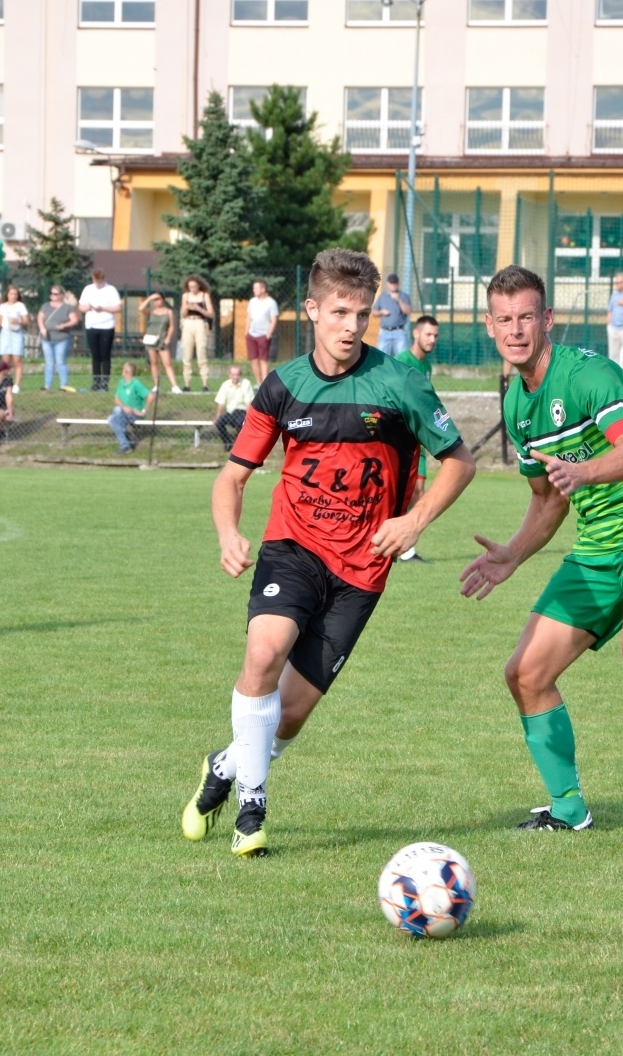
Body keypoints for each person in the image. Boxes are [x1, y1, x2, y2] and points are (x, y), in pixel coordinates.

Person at [180, 248, 477, 858]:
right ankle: (252, 808)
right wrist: (228, 535)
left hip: (363, 570)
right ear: (311, 309)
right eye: (339, 311)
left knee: (288, 716)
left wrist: (414, 520)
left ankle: (227, 763)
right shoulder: (284, 384)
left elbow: (459, 461)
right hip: (292, 547)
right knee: (264, 652)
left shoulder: (400, 383)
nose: (350, 326)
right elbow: (231, 478)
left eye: (362, 314)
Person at [459, 264, 623, 852]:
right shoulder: (518, 404)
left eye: (526, 317)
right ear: (490, 327)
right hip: (595, 548)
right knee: (525, 673)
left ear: (547, 320)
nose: (516, 330)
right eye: (503, 320)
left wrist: (585, 469)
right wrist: (512, 555)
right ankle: (568, 808)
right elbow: (547, 499)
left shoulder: (591, 375)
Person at [394, 314, 440, 563]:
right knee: (407, 492)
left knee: (417, 491)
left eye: (435, 335)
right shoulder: (402, 362)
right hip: (401, 440)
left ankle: (403, 547)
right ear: (416, 334)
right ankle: (398, 545)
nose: (432, 340)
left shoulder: (427, 366)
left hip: (416, 440)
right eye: (428, 334)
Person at [78, 268, 122, 392]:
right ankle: (96, 382)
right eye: (96, 281)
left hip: (106, 326)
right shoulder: (88, 289)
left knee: (105, 355)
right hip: (92, 326)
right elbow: (80, 306)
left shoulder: (111, 290)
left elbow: (118, 308)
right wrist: (86, 308)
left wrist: (102, 308)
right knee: (95, 356)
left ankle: (105, 383)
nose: (99, 284)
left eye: (100, 281)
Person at [138, 288, 181, 394]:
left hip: (162, 338)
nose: (157, 301)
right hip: (151, 338)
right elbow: (141, 309)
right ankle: (156, 385)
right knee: (154, 362)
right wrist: (149, 298)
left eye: (159, 299)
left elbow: (171, 326)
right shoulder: (152, 311)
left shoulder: (168, 311)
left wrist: (168, 338)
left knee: (167, 363)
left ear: (163, 299)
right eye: (155, 300)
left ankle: (174, 386)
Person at [38, 285, 79, 393]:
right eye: (51, 293)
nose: (53, 296)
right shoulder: (45, 306)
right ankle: (47, 385)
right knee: (49, 362)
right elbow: (40, 317)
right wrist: (42, 328)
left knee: (60, 361)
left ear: (61, 295)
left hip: (62, 338)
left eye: (55, 294)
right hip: (47, 338)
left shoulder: (67, 307)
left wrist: (64, 325)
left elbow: (74, 320)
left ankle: (63, 385)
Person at [178, 274, 215, 391]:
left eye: (194, 286)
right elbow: (183, 314)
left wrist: (198, 309)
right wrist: (186, 307)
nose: (192, 289)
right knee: (187, 353)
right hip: (188, 323)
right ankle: (187, 383)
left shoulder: (205, 296)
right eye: (190, 287)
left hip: (200, 323)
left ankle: (205, 383)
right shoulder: (185, 296)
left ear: (198, 286)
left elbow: (211, 313)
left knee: (201, 351)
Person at [107, 360, 150, 454]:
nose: (122, 371)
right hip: (124, 412)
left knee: (113, 419)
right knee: (113, 416)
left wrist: (144, 411)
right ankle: (128, 440)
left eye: (123, 369)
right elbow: (116, 399)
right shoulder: (121, 383)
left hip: (133, 413)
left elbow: (150, 396)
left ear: (127, 372)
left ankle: (125, 445)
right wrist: (124, 407)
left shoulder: (136, 383)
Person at [212, 364, 256, 450]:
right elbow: (221, 402)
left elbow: (248, 403)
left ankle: (238, 443)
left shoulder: (246, 384)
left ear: (240, 375)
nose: (235, 377)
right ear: (229, 375)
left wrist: (249, 417)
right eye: (233, 374)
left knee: (240, 423)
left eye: (237, 374)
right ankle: (227, 442)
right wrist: (217, 417)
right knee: (219, 423)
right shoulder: (225, 385)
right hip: (230, 412)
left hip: (241, 411)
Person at [245, 278, 279, 385]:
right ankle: (258, 383)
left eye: (256, 288)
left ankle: (265, 384)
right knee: (254, 360)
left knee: (263, 360)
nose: (254, 290)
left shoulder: (271, 302)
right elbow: (248, 317)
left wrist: (268, 334)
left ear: (263, 289)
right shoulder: (252, 301)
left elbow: (274, 319)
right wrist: (246, 332)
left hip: (263, 335)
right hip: (251, 334)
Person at [0, 284, 29, 394]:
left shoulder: (20, 306)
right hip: (6, 332)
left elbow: (26, 321)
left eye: (15, 294)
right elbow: (0, 320)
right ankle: (5, 383)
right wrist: (6, 325)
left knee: (17, 360)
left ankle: (16, 385)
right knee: (5, 360)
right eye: (11, 294)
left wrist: (17, 321)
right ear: (7, 294)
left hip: (16, 333)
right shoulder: (3, 306)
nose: (13, 296)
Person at [372, 273, 413, 357]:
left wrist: (399, 300)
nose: (393, 285)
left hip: (399, 332)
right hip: (384, 332)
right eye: (391, 283)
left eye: (395, 283)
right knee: (382, 358)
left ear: (398, 283)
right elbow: (374, 312)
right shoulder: (383, 296)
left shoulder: (404, 296)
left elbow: (408, 311)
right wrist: (381, 312)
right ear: (387, 284)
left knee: (402, 358)